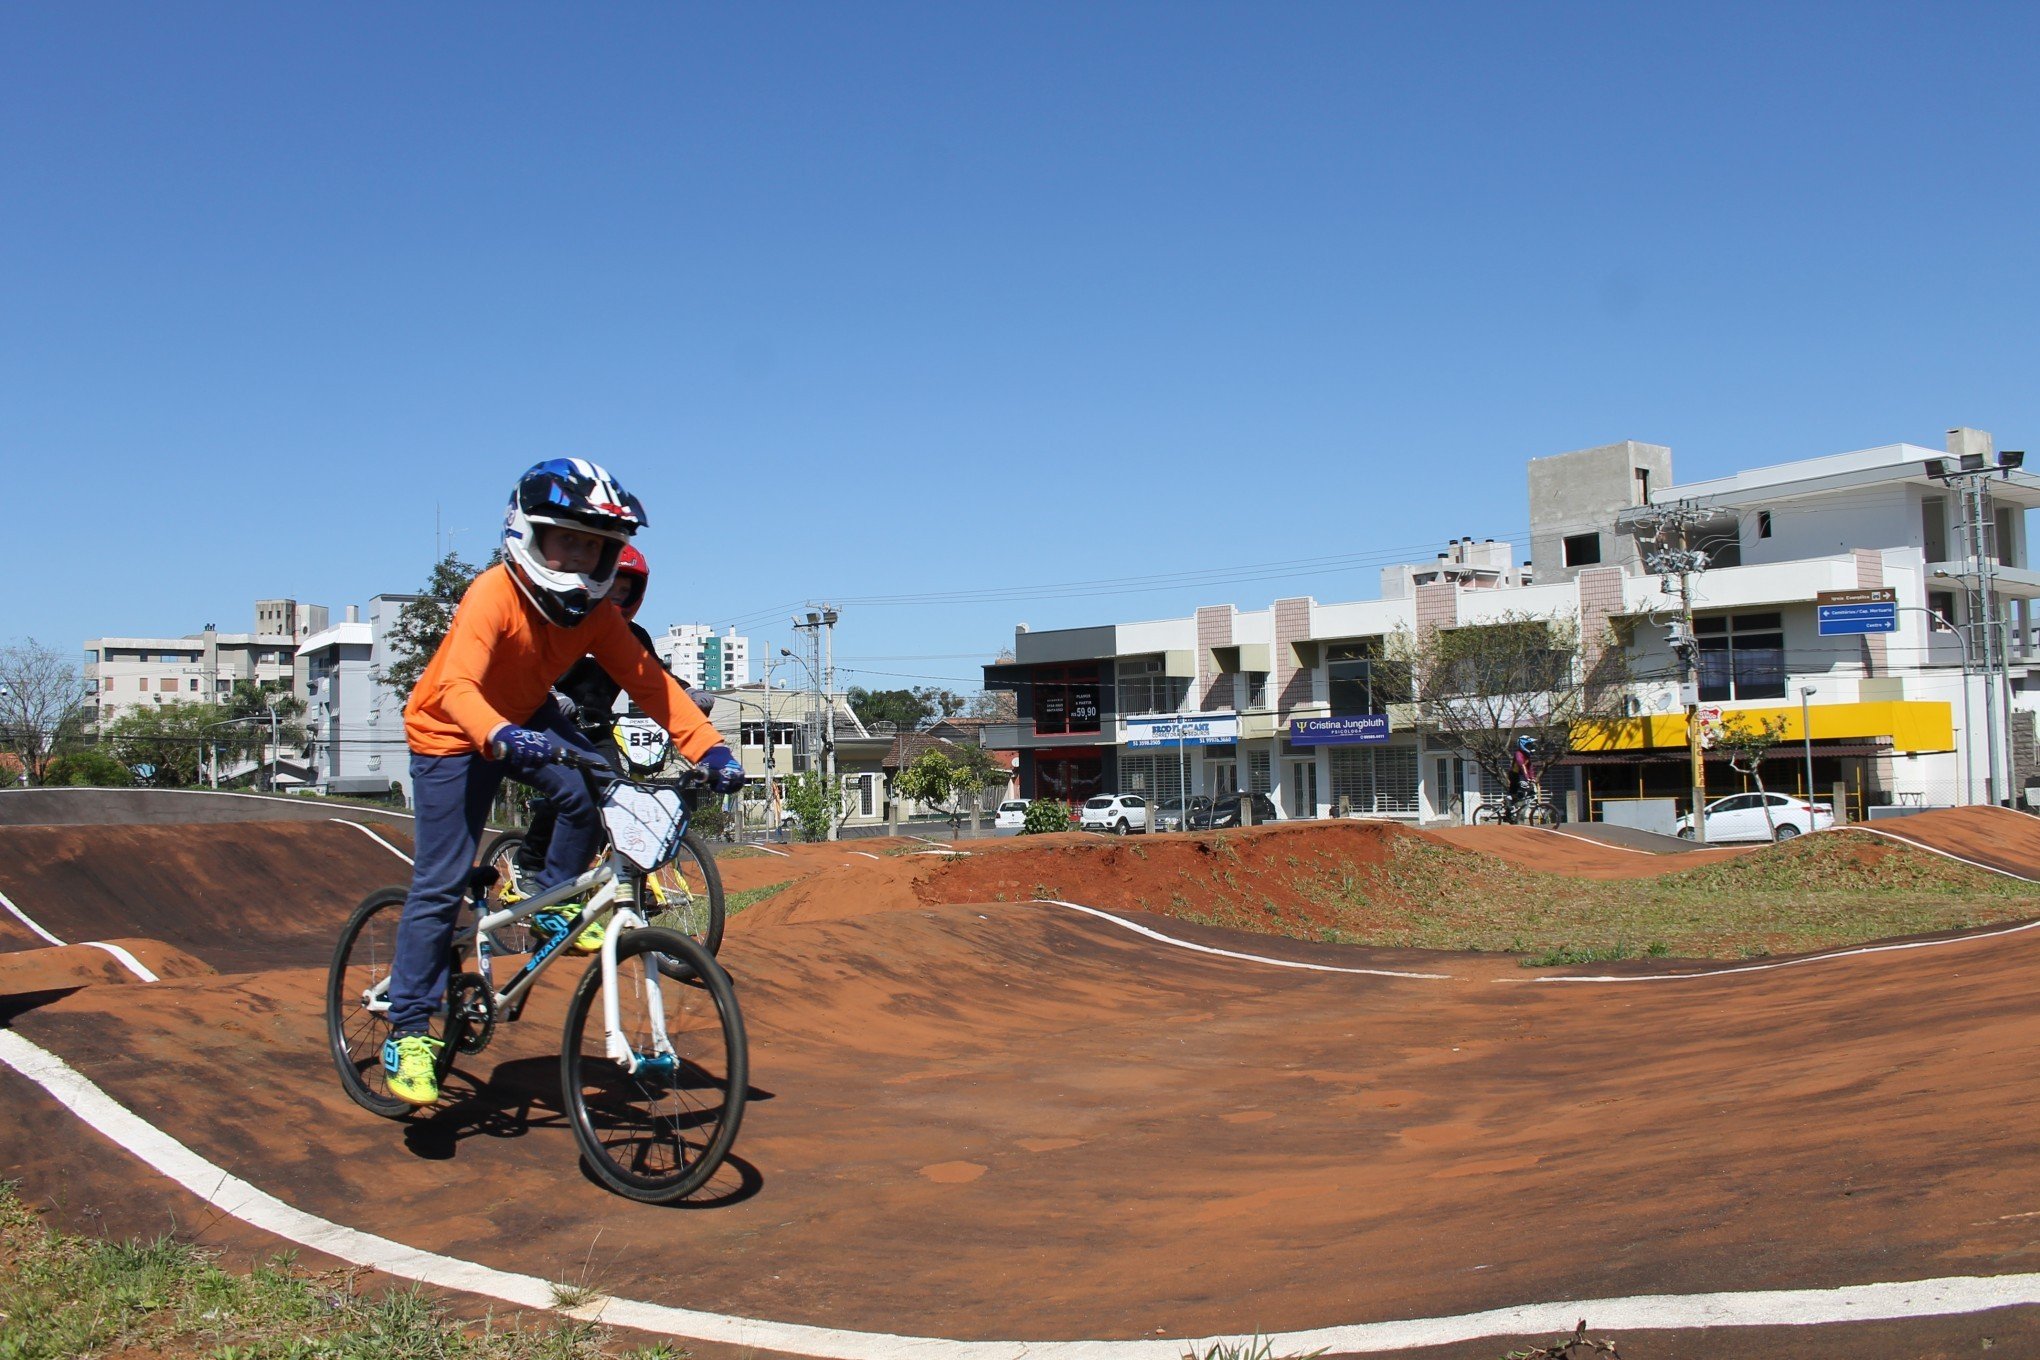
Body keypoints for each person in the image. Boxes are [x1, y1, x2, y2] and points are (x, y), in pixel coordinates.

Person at [380, 459, 747, 1108]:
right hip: (451, 734)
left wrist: (712, 751)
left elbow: (651, 684)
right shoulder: (492, 594)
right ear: (529, 535)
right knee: (440, 881)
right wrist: (496, 736)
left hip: (525, 716)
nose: (582, 557)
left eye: (596, 545)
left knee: (591, 788)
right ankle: (408, 1029)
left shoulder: (596, 616)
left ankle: (550, 901)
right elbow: (458, 686)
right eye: (568, 540)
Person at [511, 544, 713, 886]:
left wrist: (688, 693)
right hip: (550, 724)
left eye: (625, 590)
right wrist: (554, 695)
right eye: (611, 587)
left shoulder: (632, 637)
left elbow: (654, 677)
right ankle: (530, 863)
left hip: (597, 731)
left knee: (617, 797)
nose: (617, 597)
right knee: (570, 796)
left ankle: (632, 886)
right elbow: (531, 668)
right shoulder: (565, 624)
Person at [1508, 736, 1537, 821]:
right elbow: (1522, 766)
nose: (1531, 747)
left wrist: (1532, 778)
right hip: (1515, 775)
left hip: (1521, 775)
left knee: (1528, 791)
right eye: (1529, 745)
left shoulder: (1527, 756)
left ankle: (1517, 807)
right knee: (1520, 788)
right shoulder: (1518, 754)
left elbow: (1530, 768)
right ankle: (1510, 804)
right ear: (1523, 745)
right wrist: (1527, 778)